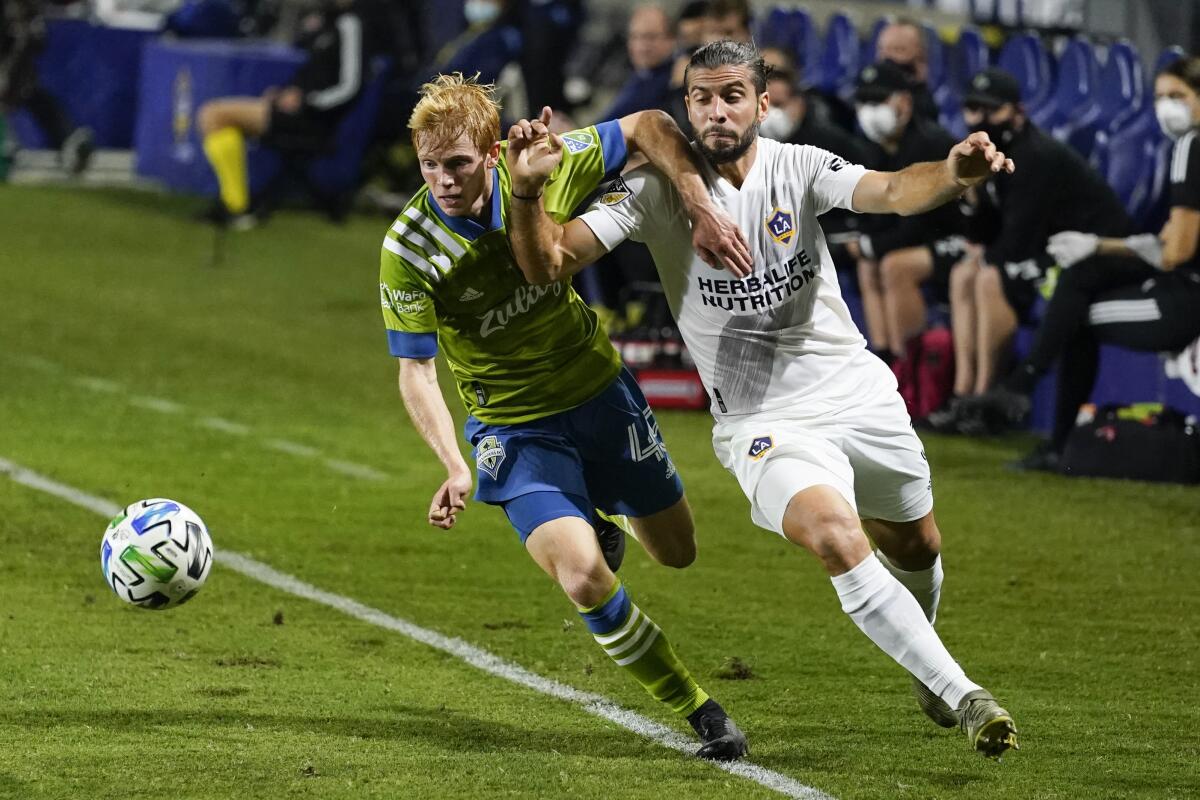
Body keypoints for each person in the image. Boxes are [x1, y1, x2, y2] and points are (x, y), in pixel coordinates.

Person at [505, 40, 1020, 759]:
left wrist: (955, 175)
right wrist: (527, 192)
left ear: (762, 104)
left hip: (856, 393)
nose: (717, 112)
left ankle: (925, 666)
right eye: (703, 98)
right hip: (763, 423)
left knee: (917, 543)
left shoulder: (800, 166)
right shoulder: (651, 191)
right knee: (837, 536)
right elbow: (551, 264)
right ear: (687, 106)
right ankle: (965, 694)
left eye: (732, 97)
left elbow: (897, 190)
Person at [380, 73, 753, 760]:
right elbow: (416, 369)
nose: (444, 180)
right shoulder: (408, 250)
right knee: (583, 575)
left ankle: (600, 518)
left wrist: (697, 203)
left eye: (458, 163)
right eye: (430, 165)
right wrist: (453, 464)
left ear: (491, 153)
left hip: (599, 393)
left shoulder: (548, 162)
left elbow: (647, 125)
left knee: (677, 551)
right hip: (516, 431)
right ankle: (699, 710)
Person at [966, 55, 1200, 470]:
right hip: (1180, 286)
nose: (1167, 107)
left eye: (1178, 96)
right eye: (1160, 96)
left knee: (1076, 313)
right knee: (1076, 291)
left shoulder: (1191, 145)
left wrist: (1099, 246)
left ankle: (1034, 406)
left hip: (1188, 296)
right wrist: (1100, 245)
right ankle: (1042, 422)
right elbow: (1169, 240)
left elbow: (1176, 251)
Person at [932, 68, 1130, 432]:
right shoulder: (988, 155)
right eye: (974, 109)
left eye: (994, 110)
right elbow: (986, 233)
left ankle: (987, 399)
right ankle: (962, 396)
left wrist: (987, 252)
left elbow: (1018, 241)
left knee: (990, 276)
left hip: (1088, 253)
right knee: (964, 273)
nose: (983, 119)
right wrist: (972, 194)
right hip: (1044, 247)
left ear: (1018, 112)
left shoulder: (1034, 156)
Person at [196, 0, 389, 227]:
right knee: (213, 115)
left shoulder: (351, 24)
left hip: (314, 120)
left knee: (215, 115)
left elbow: (350, 86)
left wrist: (307, 102)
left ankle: (237, 206)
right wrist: (284, 94)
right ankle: (235, 204)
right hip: (299, 111)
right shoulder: (326, 21)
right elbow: (313, 75)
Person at [848, 61, 966, 364]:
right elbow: (873, 210)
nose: (870, 111)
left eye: (879, 101)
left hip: (958, 238)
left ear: (904, 101)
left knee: (894, 266)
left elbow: (921, 220)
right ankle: (886, 360)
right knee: (868, 265)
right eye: (864, 102)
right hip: (914, 239)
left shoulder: (930, 143)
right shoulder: (871, 148)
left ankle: (910, 366)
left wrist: (870, 244)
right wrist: (864, 242)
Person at [0, 0, 93, 174]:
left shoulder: (23, 12)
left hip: (17, 56)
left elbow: (36, 40)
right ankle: (10, 145)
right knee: (25, 94)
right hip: (14, 55)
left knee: (27, 93)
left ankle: (66, 141)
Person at [600, 4, 676, 120]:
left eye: (651, 37)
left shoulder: (677, 80)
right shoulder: (637, 75)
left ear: (671, 40)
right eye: (635, 37)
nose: (641, 47)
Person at [875, 18, 939, 122]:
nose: (887, 57)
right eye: (882, 49)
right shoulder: (864, 98)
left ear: (921, 56)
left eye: (898, 49)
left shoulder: (926, 109)